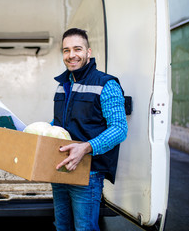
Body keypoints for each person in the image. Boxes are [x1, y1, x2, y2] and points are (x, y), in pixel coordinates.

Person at [51, 28, 128, 231]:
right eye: (66, 50)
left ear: (88, 52)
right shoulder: (62, 85)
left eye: (77, 49)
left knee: (85, 228)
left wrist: (85, 147)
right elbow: (61, 123)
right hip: (59, 167)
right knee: (62, 226)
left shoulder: (106, 84)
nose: (71, 55)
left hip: (88, 172)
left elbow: (119, 128)